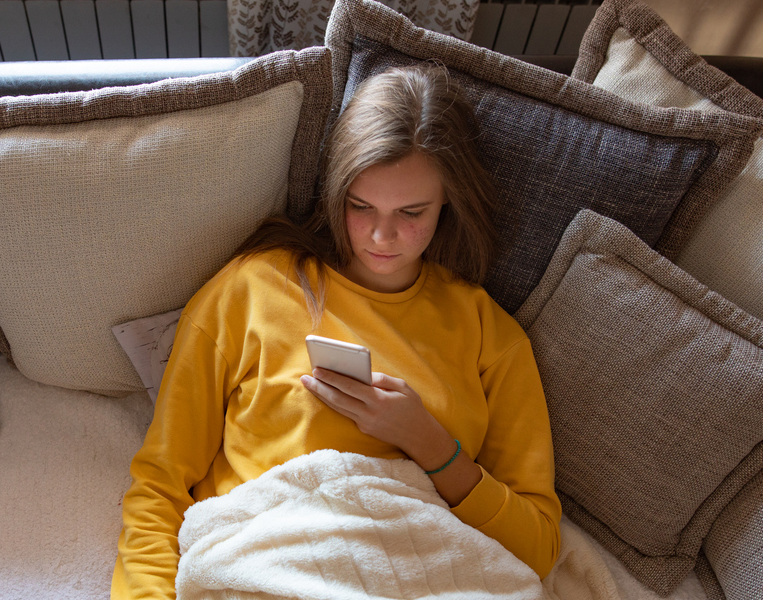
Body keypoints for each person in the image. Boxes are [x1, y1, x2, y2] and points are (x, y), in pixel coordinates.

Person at [111, 64, 561, 599]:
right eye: (360, 206)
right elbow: (160, 486)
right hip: (268, 562)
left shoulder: (490, 333)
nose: (381, 234)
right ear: (336, 191)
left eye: (411, 211)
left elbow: (537, 549)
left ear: (449, 202)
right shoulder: (253, 289)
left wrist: (432, 446)